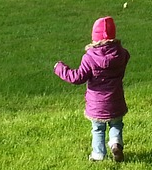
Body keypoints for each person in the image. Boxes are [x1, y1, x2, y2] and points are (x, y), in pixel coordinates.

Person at [54, 16, 130, 162]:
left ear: (95, 38)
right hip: (116, 100)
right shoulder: (121, 54)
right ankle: (116, 143)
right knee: (116, 123)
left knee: (98, 129)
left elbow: (77, 77)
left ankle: (99, 154)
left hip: (97, 104)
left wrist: (60, 68)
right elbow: (127, 56)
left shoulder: (90, 58)